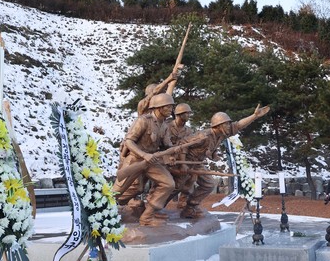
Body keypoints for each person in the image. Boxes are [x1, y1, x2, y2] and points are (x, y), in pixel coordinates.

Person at [176, 105, 270, 219]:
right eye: (226, 124)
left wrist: (254, 116)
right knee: (175, 187)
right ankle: (158, 208)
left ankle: (190, 207)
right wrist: (183, 164)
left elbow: (238, 125)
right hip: (186, 162)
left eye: (229, 124)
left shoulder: (221, 134)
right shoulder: (203, 136)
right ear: (219, 125)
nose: (229, 126)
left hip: (198, 164)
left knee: (209, 184)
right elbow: (182, 144)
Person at [114, 93, 176, 226]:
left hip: (152, 161)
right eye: (168, 106)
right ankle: (99, 215)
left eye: (171, 106)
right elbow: (129, 141)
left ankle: (147, 217)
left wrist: (171, 154)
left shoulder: (164, 125)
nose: (171, 109)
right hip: (135, 159)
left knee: (168, 184)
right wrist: (144, 155)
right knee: (118, 192)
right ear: (158, 107)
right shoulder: (143, 120)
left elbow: (167, 145)